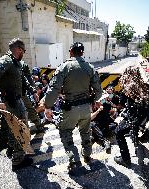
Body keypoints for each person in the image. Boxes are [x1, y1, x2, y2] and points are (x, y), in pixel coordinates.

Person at [41, 42, 102, 170]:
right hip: (86, 108)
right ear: (82, 53)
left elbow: (54, 89)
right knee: (85, 131)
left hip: (70, 108)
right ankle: (87, 156)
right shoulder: (90, 68)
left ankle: (74, 161)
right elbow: (99, 91)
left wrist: (47, 107)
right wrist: (94, 100)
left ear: (70, 52)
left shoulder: (64, 67)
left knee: (65, 132)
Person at [0, 38, 33, 171]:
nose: (23, 53)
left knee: (14, 128)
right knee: (19, 129)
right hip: (11, 102)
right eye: (23, 50)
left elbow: (21, 79)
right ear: (18, 49)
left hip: (16, 100)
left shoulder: (14, 62)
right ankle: (18, 160)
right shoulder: (6, 60)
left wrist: (32, 90)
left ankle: (13, 150)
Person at [114, 67, 149, 167]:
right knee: (134, 127)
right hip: (145, 115)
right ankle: (136, 139)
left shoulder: (128, 87)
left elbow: (121, 104)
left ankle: (125, 159)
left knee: (118, 132)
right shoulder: (145, 85)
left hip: (134, 117)